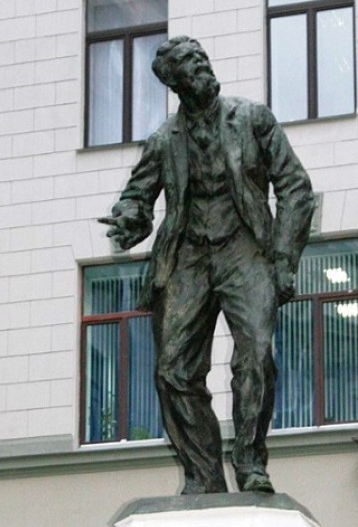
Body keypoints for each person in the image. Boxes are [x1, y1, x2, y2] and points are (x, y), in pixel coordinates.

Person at [101, 35, 315, 495]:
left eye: (202, 59)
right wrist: (127, 220)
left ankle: (251, 463)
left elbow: (296, 188)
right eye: (190, 66)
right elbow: (136, 200)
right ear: (176, 83)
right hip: (188, 257)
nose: (201, 68)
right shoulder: (163, 140)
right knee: (172, 371)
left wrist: (283, 259)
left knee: (255, 356)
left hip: (246, 251)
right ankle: (204, 475)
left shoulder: (253, 119)